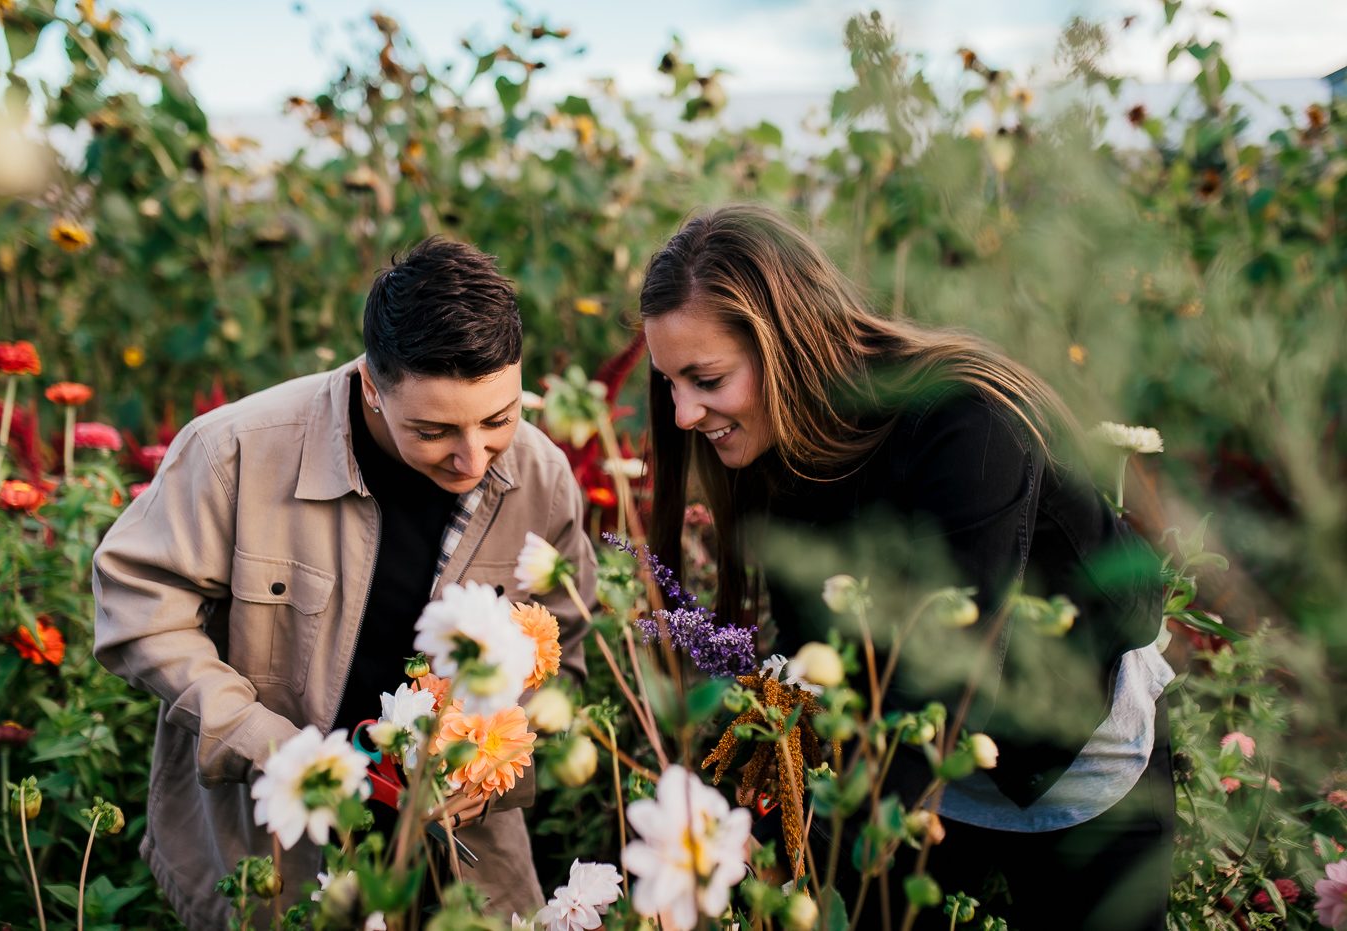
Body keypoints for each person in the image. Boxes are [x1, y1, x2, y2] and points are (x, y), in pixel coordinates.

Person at [638, 205, 1173, 930]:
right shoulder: (774, 450)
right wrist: (717, 841)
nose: (682, 414)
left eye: (706, 378)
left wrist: (800, 856)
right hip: (919, 764)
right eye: (670, 383)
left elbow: (949, 672)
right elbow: (813, 668)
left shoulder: (964, 421)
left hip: (1071, 759)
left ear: (787, 344)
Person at [92, 237, 595, 929]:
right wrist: (276, 750)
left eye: (499, 419)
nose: (473, 457)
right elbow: (139, 609)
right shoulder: (235, 450)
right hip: (271, 846)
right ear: (371, 386)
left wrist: (490, 765)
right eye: (434, 429)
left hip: (464, 857)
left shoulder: (541, 476)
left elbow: (564, 649)